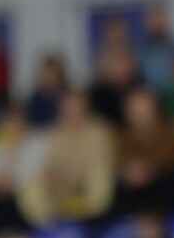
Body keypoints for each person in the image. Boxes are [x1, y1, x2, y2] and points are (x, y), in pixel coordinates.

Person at [19, 90, 115, 224]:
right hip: (60, 183)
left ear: (85, 106)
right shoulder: (54, 131)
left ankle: (91, 221)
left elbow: (100, 161)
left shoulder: (99, 130)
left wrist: (75, 179)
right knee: (31, 184)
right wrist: (56, 177)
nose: (73, 109)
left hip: (86, 183)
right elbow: (48, 163)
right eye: (69, 105)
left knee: (100, 176)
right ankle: (49, 226)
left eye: (77, 105)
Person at [113, 86, 174, 216]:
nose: (141, 116)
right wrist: (126, 170)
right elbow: (115, 161)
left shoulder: (169, 131)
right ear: (127, 113)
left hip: (162, 191)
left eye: (145, 111)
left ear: (155, 110)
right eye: (136, 111)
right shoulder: (120, 135)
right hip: (129, 192)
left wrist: (150, 168)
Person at [138, 2, 174, 94]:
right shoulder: (140, 53)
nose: (156, 22)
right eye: (152, 18)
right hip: (150, 97)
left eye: (159, 16)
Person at [25, 53, 69, 128]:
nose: (50, 78)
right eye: (47, 73)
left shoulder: (67, 97)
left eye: (53, 74)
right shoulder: (35, 100)